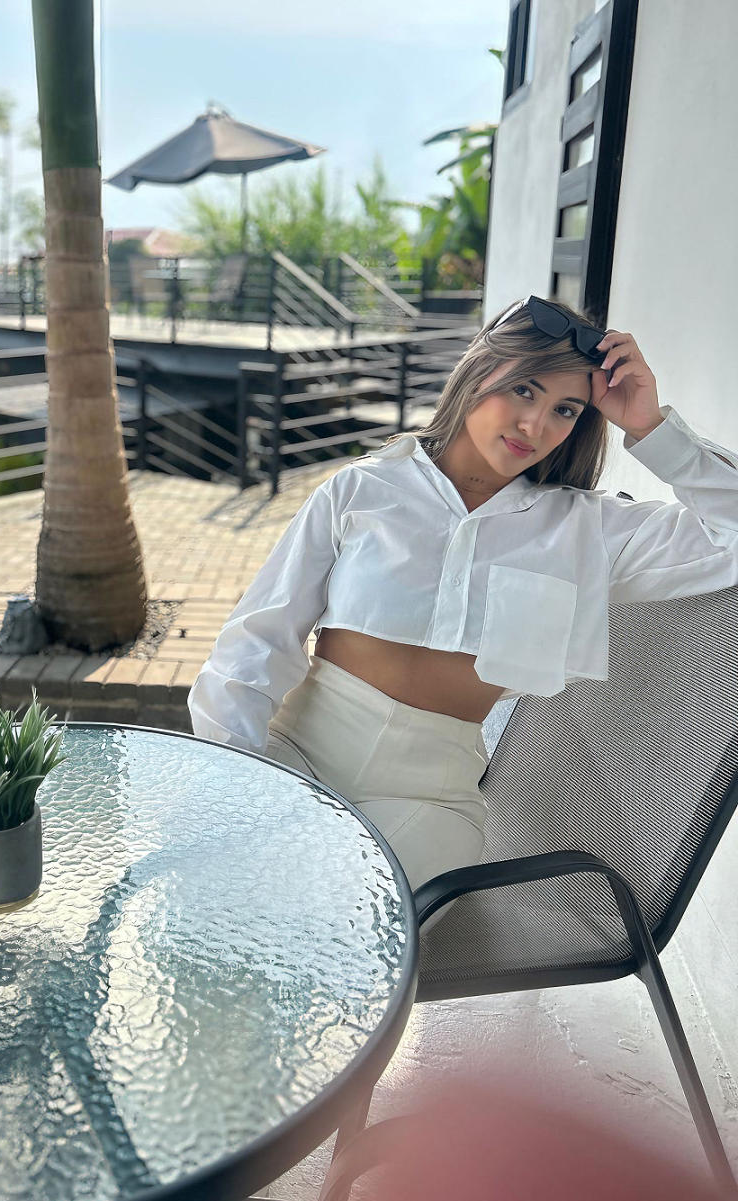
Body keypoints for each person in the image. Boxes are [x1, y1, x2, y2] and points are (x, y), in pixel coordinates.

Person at [188, 295, 738, 901]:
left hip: (428, 799)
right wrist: (234, 774)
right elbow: (256, 642)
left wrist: (650, 426)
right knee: (229, 895)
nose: (535, 426)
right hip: (298, 753)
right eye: (524, 390)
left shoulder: (591, 530)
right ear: (480, 371)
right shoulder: (363, 489)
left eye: (566, 410)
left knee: (360, 919)